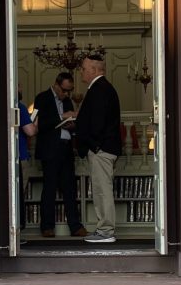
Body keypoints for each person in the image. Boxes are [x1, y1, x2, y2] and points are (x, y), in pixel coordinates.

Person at [73, 54, 121, 244]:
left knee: (102, 190)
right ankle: (104, 229)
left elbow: (97, 122)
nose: (82, 72)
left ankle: (106, 231)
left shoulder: (100, 89)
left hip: (101, 149)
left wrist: (94, 146)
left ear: (94, 70)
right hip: (102, 147)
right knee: (101, 189)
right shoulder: (102, 88)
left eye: (84, 69)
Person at [32, 72, 85, 239]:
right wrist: (61, 117)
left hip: (66, 149)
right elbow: (40, 125)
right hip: (50, 150)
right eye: (64, 90)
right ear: (56, 84)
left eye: (69, 91)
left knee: (70, 189)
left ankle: (75, 227)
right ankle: (47, 227)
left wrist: (72, 125)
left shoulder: (68, 100)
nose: (67, 94)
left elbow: (71, 123)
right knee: (49, 188)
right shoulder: (42, 98)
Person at [16, 91, 37, 230]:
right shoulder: (20, 107)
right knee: (18, 197)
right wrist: (36, 123)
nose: (21, 88)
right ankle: (17, 230)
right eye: (18, 85)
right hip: (20, 156)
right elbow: (30, 131)